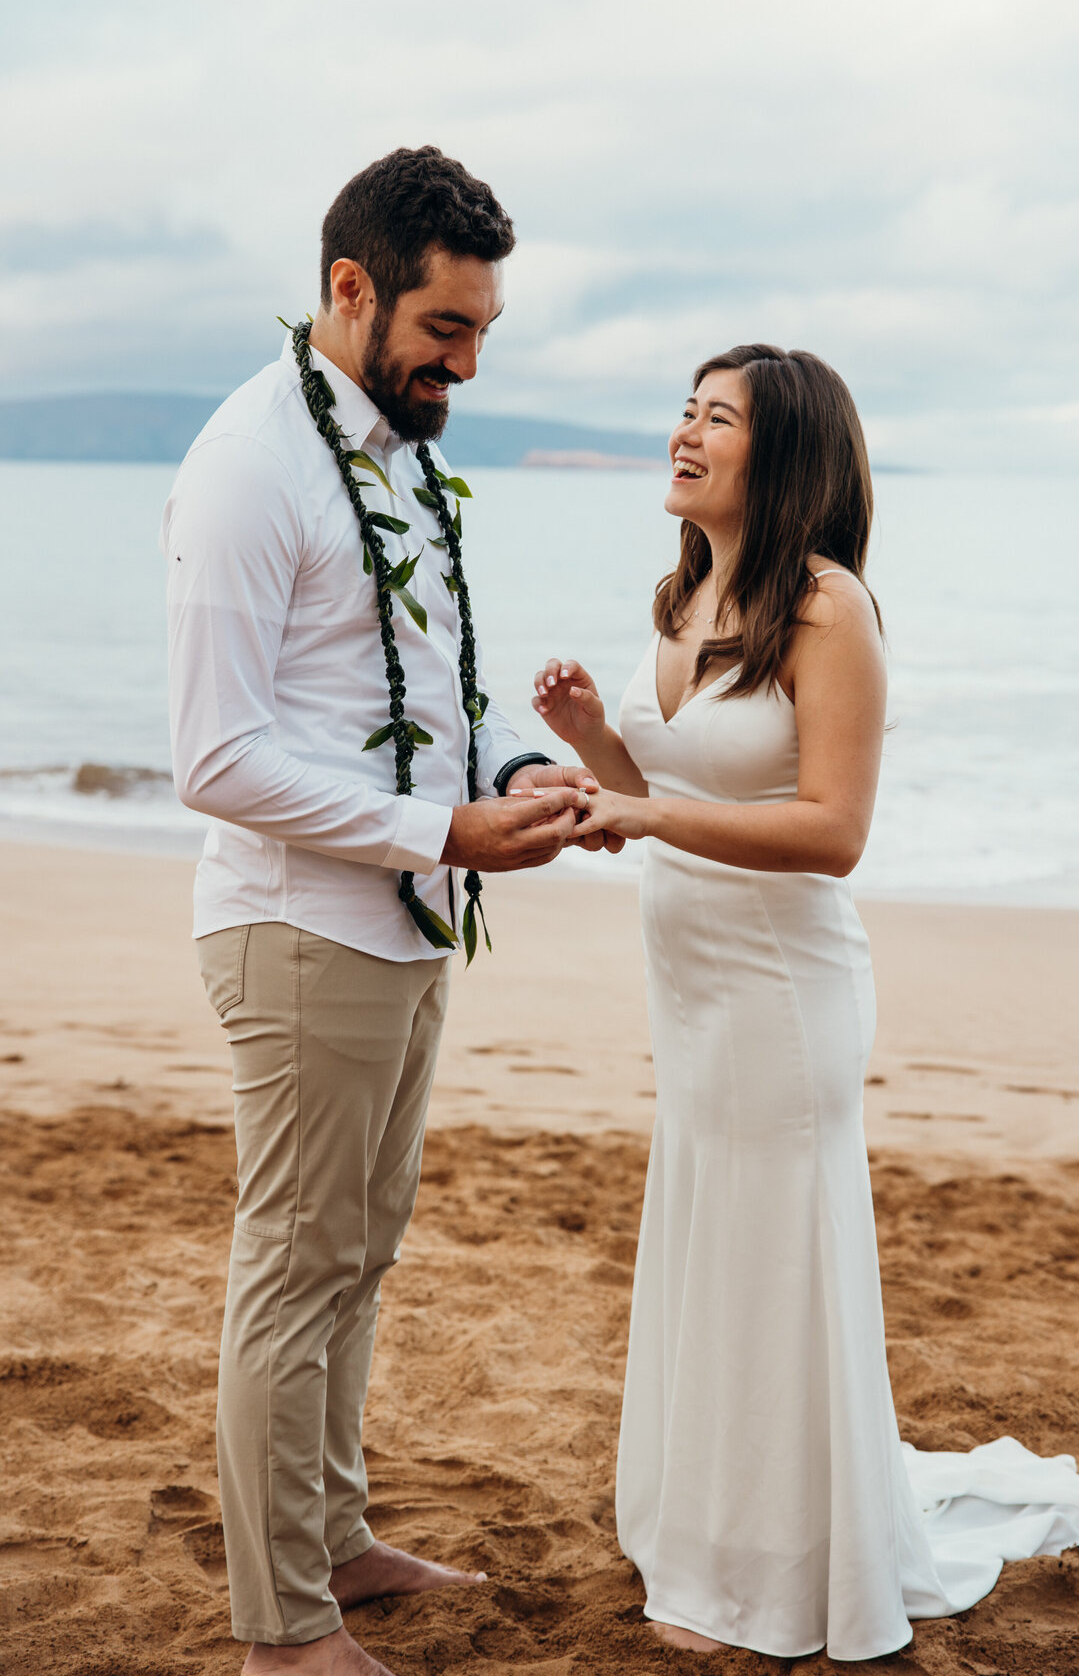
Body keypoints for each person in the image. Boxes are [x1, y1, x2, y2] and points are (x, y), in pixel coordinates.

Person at [532, 343, 1079, 1661]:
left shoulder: (830, 609)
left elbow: (832, 830)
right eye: (684, 410)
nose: (683, 433)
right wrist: (588, 745)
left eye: (716, 417)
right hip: (687, 981)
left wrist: (637, 801)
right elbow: (665, 797)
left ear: (780, 452)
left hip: (781, 989)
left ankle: (773, 1573)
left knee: (769, 1262)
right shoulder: (683, 596)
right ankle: (712, 1530)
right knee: (708, 1244)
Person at [163, 145, 612, 1676]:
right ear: (350, 291)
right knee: (291, 1267)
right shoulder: (248, 463)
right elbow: (215, 756)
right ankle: (281, 1632)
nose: (466, 366)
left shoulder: (399, 447)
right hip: (298, 930)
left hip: (406, 920)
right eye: (445, 331)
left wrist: (523, 770)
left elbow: (416, 694)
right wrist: (446, 828)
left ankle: (337, 1543)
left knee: (360, 1253)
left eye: (484, 332)